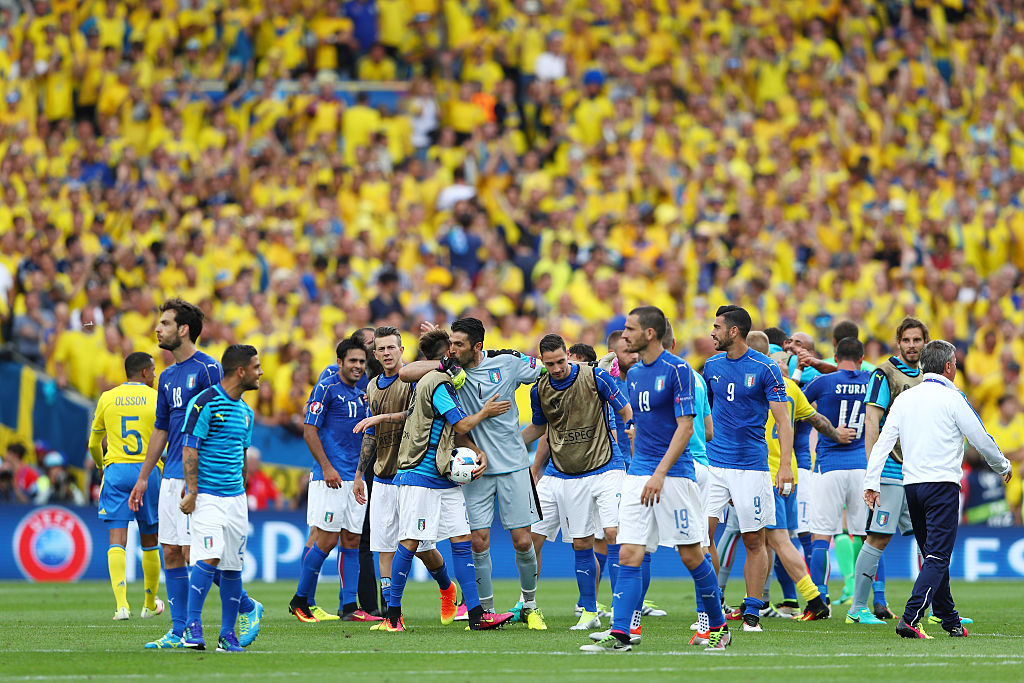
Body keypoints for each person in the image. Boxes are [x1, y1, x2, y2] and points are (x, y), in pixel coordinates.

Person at [583, 306, 729, 652]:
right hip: (638, 474)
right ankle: (621, 634)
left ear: (650, 333)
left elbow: (686, 428)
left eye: (630, 329)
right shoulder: (632, 375)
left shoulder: (679, 370)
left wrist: (660, 473)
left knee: (692, 555)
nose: (624, 335)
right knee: (629, 552)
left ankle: (719, 625)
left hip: (675, 477)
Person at [130, 299, 262, 649]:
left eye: (164, 323)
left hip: (201, 481)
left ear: (183, 329)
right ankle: (179, 631)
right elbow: (161, 428)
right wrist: (144, 476)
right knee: (171, 552)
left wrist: (199, 484)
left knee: (198, 553)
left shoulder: (207, 369)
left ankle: (243, 607)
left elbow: (222, 419)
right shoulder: (168, 375)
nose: (157, 329)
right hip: (171, 475)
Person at [400, 318, 547, 629]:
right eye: (450, 343)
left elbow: (549, 369)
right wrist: (442, 358)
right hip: (474, 469)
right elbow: (406, 372)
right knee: (478, 542)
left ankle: (529, 606)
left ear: (477, 346)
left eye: (459, 344)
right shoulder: (451, 370)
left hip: (514, 466)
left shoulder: (508, 363)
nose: (452, 349)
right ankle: (487, 610)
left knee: (523, 541)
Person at [864, 340, 1012, 639]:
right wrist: (1003, 466)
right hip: (942, 486)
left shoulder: (905, 400)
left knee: (932, 553)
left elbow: (883, 442)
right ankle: (910, 617)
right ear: (948, 367)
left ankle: (948, 618)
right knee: (938, 557)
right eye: (955, 364)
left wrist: (871, 481)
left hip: (912, 488)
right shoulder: (954, 398)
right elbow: (981, 439)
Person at [382, 328, 514, 631]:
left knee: (461, 540)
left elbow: (453, 432)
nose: (457, 353)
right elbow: (462, 422)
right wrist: (486, 412)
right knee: (411, 541)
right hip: (420, 474)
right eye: (452, 349)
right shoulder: (436, 383)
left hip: (443, 476)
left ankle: (477, 614)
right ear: (445, 356)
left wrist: (477, 450)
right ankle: (393, 616)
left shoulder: (442, 382)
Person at [520, 335, 631, 632]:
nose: (556, 368)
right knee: (581, 544)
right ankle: (589, 610)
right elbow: (539, 429)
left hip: (607, 466)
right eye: (549, 364)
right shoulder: (539, 389)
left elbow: (625, 411)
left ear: (567, 355)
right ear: (542, 361)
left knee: (613, 533)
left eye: (560, 361)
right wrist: (505, 443)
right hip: (569, 473)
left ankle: (624, 610)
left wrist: (633, 434)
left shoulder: (596, 377)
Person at [350, 326, 458, 623]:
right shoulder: (372, 386)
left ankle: (447, 588)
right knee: (383, 547)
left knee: (423, 547)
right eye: (381, 349)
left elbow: (417, 414)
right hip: (383, 477)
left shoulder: (414, 380)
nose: (386, 353)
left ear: (401, 350)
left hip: (411, 473)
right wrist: (360, 474)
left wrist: (382, 416)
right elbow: (370, 433)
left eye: (391, 348)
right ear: (375, 354)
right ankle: (390, 614)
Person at [702, 305, 793, 633]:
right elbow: (704, 415)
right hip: (714, 464)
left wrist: (784, 466)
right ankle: (711, 607)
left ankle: (753, 611)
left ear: (733, 331)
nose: (711, 332)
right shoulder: (710, 366)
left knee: (755, 540)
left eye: (716, 327)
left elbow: (783, 419)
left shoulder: (766, 368)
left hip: (751, 468)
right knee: (702, 535)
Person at [747, 331, 845, 622]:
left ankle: (813, 598)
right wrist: (836, 434)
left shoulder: (753, 384)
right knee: (768, 541)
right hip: (789, 473)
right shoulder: (790, 387)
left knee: (777, 540)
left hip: (767, 473)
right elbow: (817, 419)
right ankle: (757, 601)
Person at [179, 345, 262, 652]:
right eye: (256, 367)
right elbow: (190, 448)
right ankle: (191, 626)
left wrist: (241, 486)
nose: (260, 372)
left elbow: (240, 457)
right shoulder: (206, 402)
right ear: (241, 371)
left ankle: (227, 636)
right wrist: (192, 490)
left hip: (236, 499)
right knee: (208, 557)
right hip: (207, 497)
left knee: (232, 567)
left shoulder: (246, 413)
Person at [289, 337, 378, 622]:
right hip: (330, 478)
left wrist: (360, 474)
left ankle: (349, 607)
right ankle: (301, 600)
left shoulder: (362, 393)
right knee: (326, 539)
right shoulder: (326, 388)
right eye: (352, 361)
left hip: (354, 479)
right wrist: (326, 467)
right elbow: (309, 430)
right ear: (339, 362)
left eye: (362, 362)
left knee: (352, 539)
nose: (358, 366)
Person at [848, 317, 928, 625]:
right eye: (906, 340)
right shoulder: (884, 374)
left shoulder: (928, 375)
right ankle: (856, 609)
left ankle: (936, 610)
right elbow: (872, 421)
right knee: (878, 537)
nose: (911, 345)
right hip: (890, 469)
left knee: (929, 540)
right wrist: (873, 471)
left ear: (924, 342)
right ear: (898, 342)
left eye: (916, 340)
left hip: (917, 471)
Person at [88, 351, 162, 621]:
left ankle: (121, 606)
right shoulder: (156, 398)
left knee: (117, 540)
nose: (155, 375)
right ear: (144, 372)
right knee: (150, 540)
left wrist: (100, 465)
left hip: (117, 470)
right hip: (149, 471)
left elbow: (94, 443)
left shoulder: (107, 397)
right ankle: (149, 604)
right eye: (153, 370)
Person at [801, 337, 872, 607]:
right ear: (862, 358)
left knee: (821, 536)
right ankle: (878, 599)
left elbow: (797, 404)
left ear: (834, 355)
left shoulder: (823, 383)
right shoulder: (870, 381)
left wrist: (827, 428)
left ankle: (820, 600)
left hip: (828, 466)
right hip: (861, 468)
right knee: (870, 537)